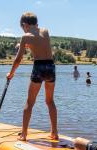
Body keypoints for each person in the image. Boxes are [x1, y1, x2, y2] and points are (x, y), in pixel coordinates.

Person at [6, 12, 58, 141]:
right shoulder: (45, 31)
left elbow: (18, 59)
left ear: (25, 25)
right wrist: (26, 44)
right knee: (50, 101)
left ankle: (23, 134)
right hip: (50, 66)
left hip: (39, 67)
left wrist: (11, 73)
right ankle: (54, 132)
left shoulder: (25, 37)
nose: (23, 30)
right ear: (36, 23)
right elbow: (39, 42)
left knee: (30, 103)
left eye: (22, 27)